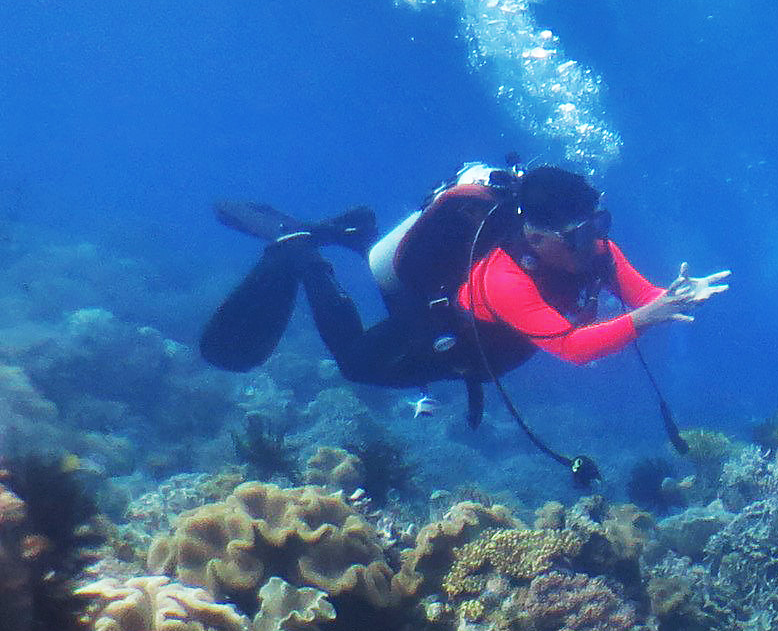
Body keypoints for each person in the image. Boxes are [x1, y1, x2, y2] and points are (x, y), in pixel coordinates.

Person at [200, 164, 729, 475]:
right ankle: (306, 258)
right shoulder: (504, 276)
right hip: (444, 338)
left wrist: (677, 296)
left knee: (392, 301)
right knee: (355, 365)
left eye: (597, 226)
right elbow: (574, 348)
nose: (593, 243)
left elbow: (647, 297)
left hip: (491, 348)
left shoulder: (596, 250)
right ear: (538, 236)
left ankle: (359, 241)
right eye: (578, 234)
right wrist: (653, 316)